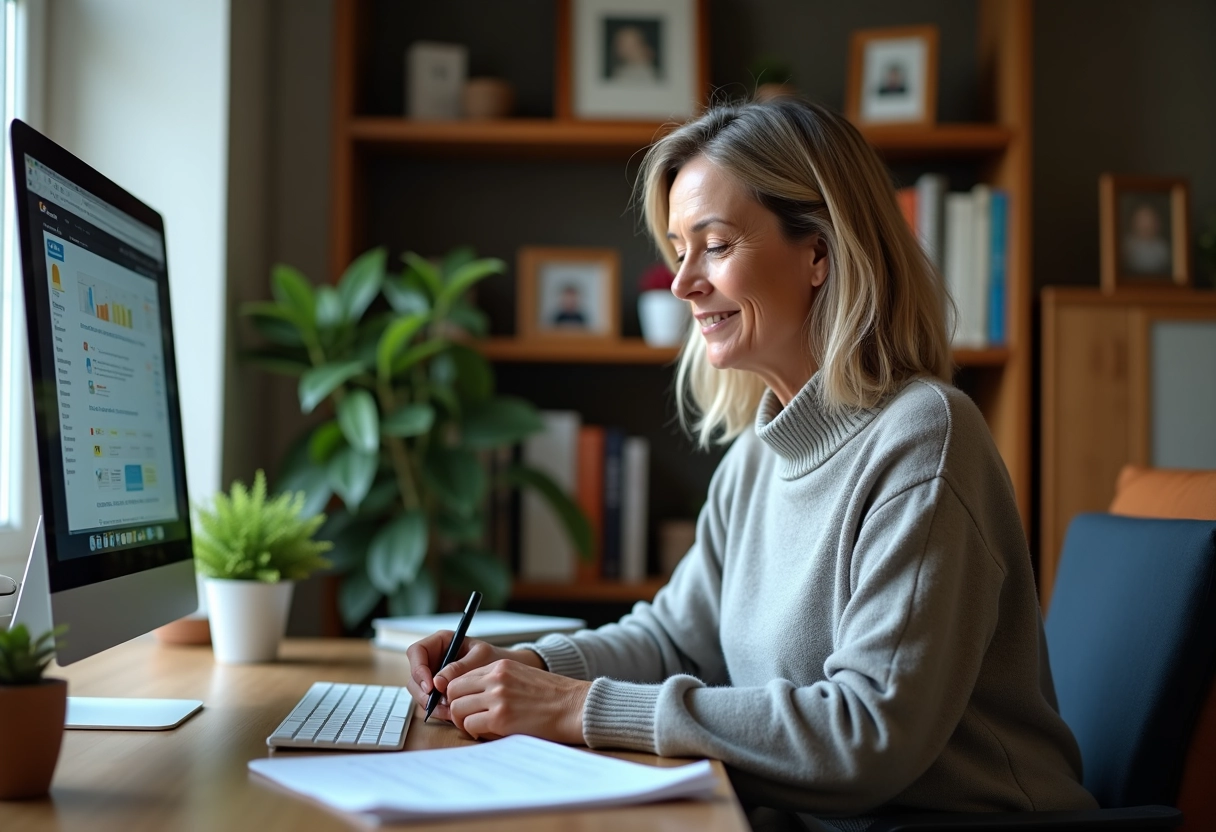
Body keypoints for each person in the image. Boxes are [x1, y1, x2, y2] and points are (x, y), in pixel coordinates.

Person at [405, 99, 1096, 828]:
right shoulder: (755, 458)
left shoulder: (924, 437)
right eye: (679, 250)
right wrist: (526, 667)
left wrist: (579, 708)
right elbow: (674, 640)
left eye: (715, 245)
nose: (682, 283)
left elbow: (868, 736)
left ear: (819, 253)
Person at [1122, 201, 1172, 274]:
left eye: (1150, 220)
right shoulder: (1127, 246)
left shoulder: (1163, 248)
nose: (1146, 225)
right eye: (1142, 220)